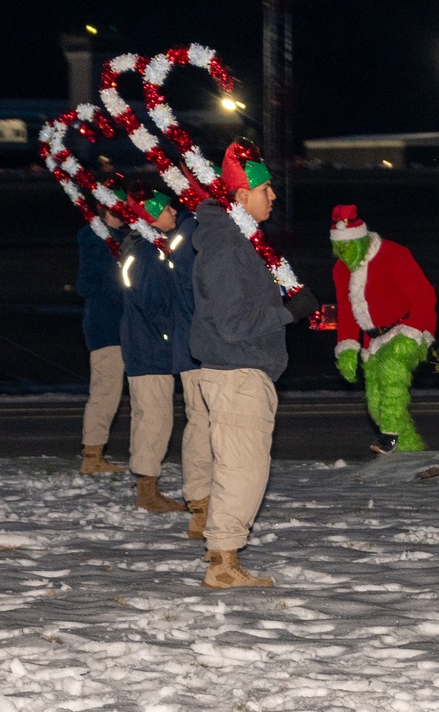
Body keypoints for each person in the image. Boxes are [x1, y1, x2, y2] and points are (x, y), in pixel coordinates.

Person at [190, 139, 318, 588]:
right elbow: (233, 322)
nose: (274, 196)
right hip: (237, 369)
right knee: (243, 470)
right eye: (266, 190)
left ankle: (223, 557)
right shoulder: (228, 247)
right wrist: (290, 311)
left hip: (241, 369)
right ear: (241, 196)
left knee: (241, 467)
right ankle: (223, 565)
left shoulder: (238, 241)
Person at [330, 204, 437, 455]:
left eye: (348, 246)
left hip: (408, 327)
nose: (344, 253)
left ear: (361, 240)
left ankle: (389, 437)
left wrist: (413, 334)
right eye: (339, 248)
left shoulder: (394, 254)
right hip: (374, 340)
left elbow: (425, 296)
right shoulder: (340, 270)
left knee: (392, 370)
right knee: (376, 403)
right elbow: (347, 312)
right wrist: (347, 349)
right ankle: (409, 451)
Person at [118, 181, 187, 512]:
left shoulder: (145, 247)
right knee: (155, 419)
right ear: (152, 215)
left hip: (144, 346)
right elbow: (154, 304)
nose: (174, 211)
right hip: (150, 350)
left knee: (147, 416)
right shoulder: (146, 252)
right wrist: (172, 335)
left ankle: (146, 486)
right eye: (168, 208)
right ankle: (147, 491)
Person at [166, 202, 214, 540]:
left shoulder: (188, 234)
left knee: (203, 421)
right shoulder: (193, 236)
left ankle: (204, 500)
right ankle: (200, 504)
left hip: (194, 343)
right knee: (201, 421)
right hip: (197, 346)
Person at [75, 206, 127, 475]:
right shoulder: (99, 241)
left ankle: (94, 454)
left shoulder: (117, 238)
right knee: (105, 391)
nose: (125, 214)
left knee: (110, 391)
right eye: (118, 209)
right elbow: (89, 284)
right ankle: (92, 456)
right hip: (107, 328)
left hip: (119, 327)